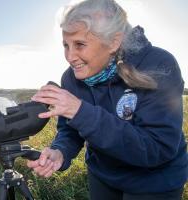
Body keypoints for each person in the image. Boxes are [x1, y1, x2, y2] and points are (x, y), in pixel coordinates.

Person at [27, 0, 188, 199]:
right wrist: (61, 151)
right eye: (66, 45)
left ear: (113, 42)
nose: (70, 56)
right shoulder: (71, 77)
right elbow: (70, 129)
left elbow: (157, 148)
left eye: (79, 44)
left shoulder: (159, 64)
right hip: (103, 177)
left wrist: (81, 112)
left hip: (155, 182)